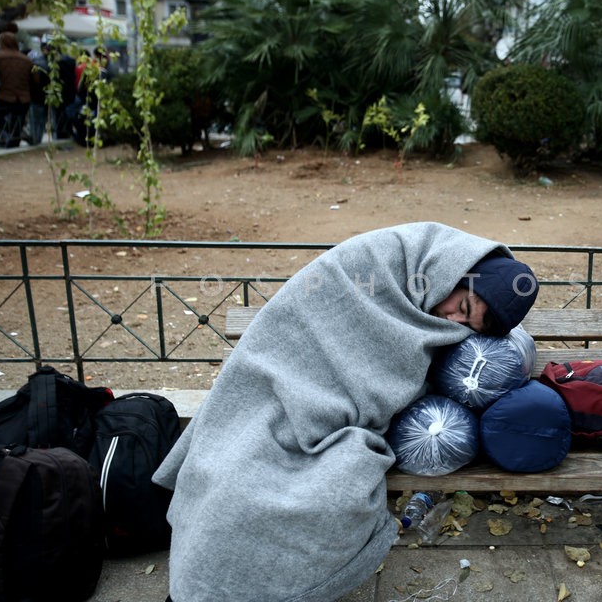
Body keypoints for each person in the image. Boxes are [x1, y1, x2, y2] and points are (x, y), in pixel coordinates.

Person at [152, 222, 539, 602]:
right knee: (229, 483)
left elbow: (401, 378)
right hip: (269, 393)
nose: (453, 322)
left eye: (468, 325)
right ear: (457, 273)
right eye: (462, 306)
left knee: (326, 493)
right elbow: (298, 323)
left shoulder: (439, 321)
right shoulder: (382, 260)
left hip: (339, 424)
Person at [0, 32, 33, 148]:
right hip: (24, 98)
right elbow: (35, 80)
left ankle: (3, 136)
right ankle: (15, 139)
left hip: (5, 95)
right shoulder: (26, 60)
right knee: (18, 120)